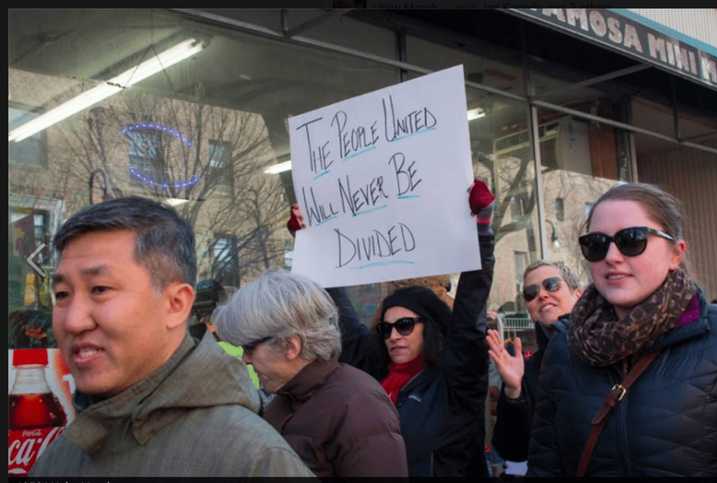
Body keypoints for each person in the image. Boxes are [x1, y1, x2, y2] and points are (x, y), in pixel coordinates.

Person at [31, 197, 312, 477]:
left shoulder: (253, 460)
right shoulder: (61, 454)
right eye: (62, 295)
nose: (73, 321)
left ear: (176, 304)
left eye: (100, 289)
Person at [290, 179, 496, 476]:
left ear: (431, 328)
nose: (394, 336)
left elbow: (469, 314)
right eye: (386, 329)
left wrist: (482, 231)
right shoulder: (373, 374)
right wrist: (311, 243)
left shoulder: (455, 383)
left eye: (405, 325)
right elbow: (338, 315)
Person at [528, 183, 717, 477]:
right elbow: (546, 464)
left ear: (675, 253)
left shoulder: (714, 335)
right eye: (597, 244)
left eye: (632, 239)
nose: (612, 256)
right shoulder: (564, 347)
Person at [214, 270, 408, 478]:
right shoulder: (284, 398)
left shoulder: (360, 406)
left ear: (291, 346)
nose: (245, 359)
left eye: (249, 348)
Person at [486, 260, 581, 465]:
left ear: (578, 295)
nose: (542, 295)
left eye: (552, 285)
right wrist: (514, 392)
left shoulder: (609, 347)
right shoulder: (528, 368)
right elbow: (513, 450)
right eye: (531, 292)